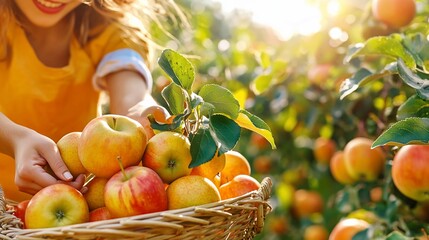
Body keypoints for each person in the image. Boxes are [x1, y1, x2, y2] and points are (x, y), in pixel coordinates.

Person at [0, 0, 182, 201]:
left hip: (80, 218)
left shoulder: (108, 26)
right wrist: (14, 138)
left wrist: (138, 110)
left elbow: (128, 88)